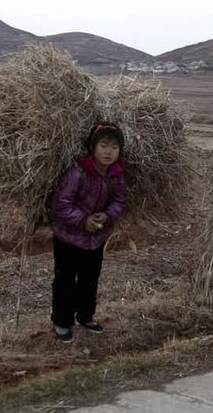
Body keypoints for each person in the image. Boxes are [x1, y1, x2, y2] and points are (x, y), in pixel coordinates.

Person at [49, 123, 127, 343]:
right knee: (65, 280)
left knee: (90, 278)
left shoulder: (116, 175)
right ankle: (62, 322)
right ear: (93, 147)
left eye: (114, 147)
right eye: (103, 145)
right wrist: (84, 221)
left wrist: (107, 215)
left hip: (95, 238)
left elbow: (119, 200)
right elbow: (61, 205)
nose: (108, 151)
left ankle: (85, 316)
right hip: (68, 237)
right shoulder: (78, 172)